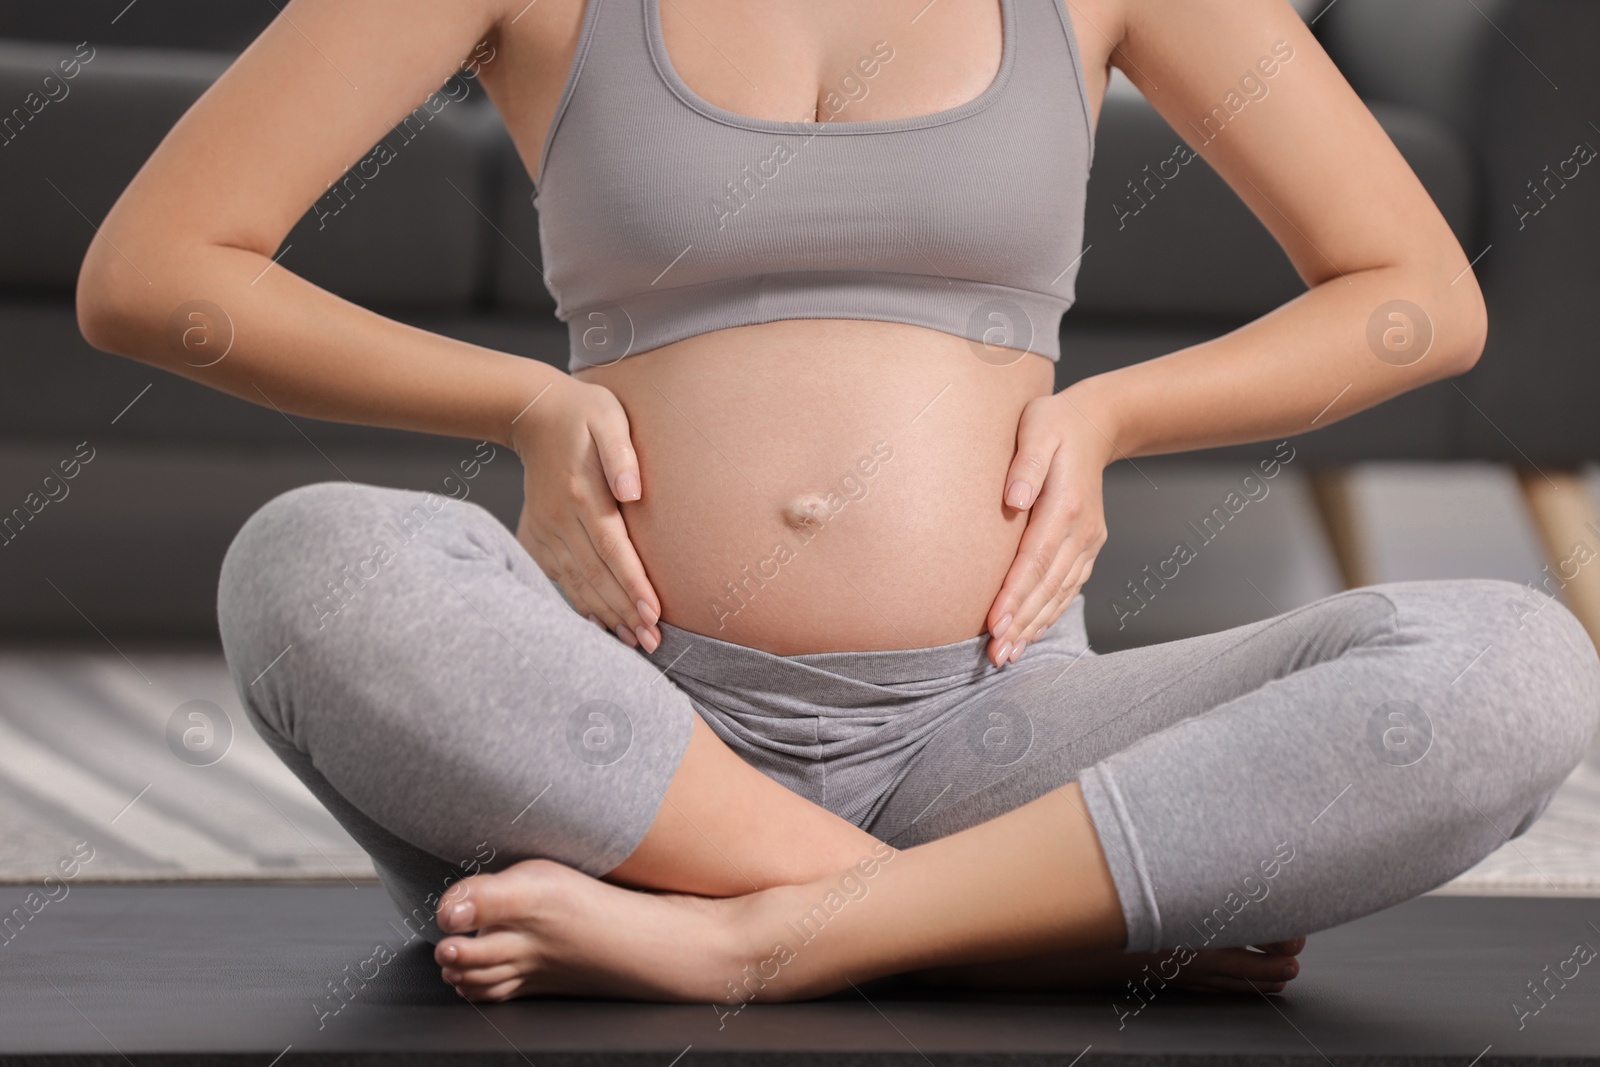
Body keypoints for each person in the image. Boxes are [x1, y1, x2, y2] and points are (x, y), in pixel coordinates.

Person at [77, 0, 1599, 1004]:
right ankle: (996, 924)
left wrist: (1119, 415)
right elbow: (155, 271)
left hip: (990, 733)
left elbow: (1419, 300)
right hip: (623, 726)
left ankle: (755, 936)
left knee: (1515, 670)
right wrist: (520, 403)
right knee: (311, 564)